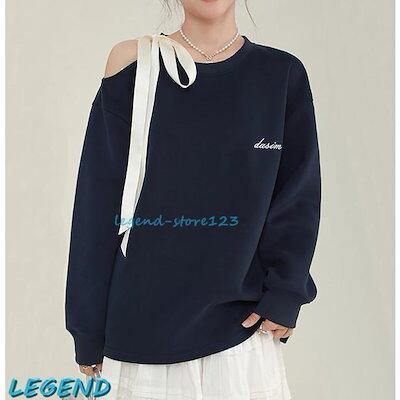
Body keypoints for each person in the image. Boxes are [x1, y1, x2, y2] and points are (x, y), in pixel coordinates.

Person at [65, 0, 321, 398]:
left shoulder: (280, 75)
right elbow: (97, 202)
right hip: (140, 342)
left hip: (243, 340)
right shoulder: (135, 65)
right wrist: (87, 328)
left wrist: (286, 293)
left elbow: (297, 196)